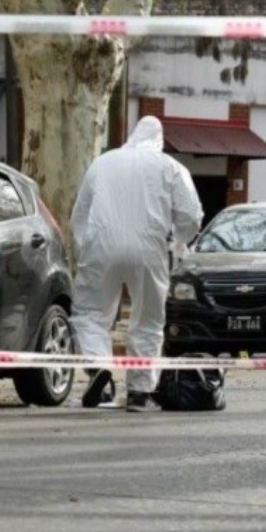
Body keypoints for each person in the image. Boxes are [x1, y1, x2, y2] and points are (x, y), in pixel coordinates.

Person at [70, 116, 203, 413]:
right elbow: (192, 215)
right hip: (149, 247)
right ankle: (139, 393)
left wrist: (85, 252)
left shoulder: (102, 163)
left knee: (90, 312)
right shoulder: (170, 166)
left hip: (101, 245)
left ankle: (98, 368)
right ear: (158, 138)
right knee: (148, 320)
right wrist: (177, 243)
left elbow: (79, 216)